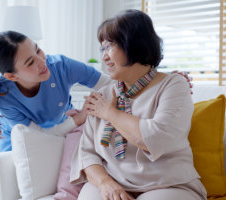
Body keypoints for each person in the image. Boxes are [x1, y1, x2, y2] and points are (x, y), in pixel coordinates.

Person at [70, 9, 207, 200]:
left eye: (109, 46)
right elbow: (86, 153)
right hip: (113, 181)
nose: (104, 57)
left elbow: (155, 138)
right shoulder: (102, 95)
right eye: (102, 48)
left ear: (133, 45)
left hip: (168, 184)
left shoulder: (173, 85)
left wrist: (109, 113)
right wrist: (105, 184)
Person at [0, 30, 112, 152]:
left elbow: (109, 83)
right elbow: (38, 135)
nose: (42, 62)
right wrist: (78, 118)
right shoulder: (4, 97)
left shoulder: (61, 66)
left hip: (62, 129)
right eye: (30, 63)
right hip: (19, 143)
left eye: (37, 50)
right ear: (12, 76)